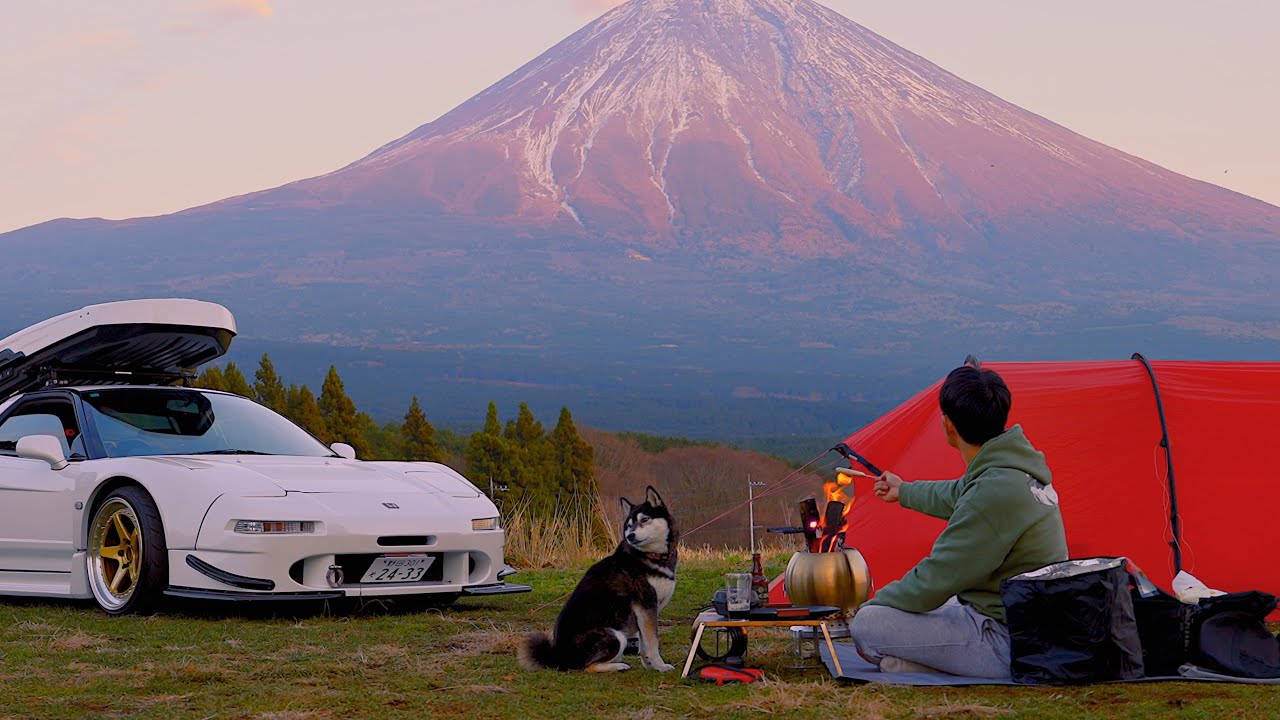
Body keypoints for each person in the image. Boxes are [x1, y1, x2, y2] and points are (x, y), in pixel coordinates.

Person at [850, 365, 1067, 678]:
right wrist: (904, 491)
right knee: (940, 604)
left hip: (1010, 643)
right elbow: (959, 493)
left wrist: (873, 605)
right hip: (1028, 625)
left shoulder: (993, 492)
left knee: (868, 625)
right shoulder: (1012, 467)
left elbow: (937, 577)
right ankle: (920, 665)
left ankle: (929, 665)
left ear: (948, 425)